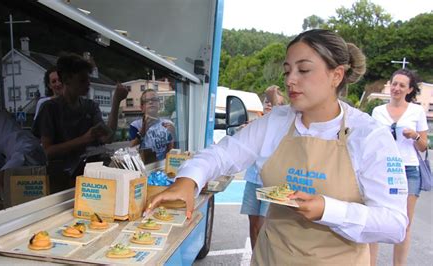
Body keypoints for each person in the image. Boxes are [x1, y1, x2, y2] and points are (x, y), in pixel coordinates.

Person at [147, 29, 408, 265]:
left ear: (336, 75)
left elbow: (394, 224)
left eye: (303, 70)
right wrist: (188, 180)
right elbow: (223, 153)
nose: (290, 80)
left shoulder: (370, 137)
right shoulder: (277, 121)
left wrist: (327, 210)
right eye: (287, 71)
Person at [370, 69, 428, 266]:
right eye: (394, 84)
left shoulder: (417, 111)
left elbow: (423, 146)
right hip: (382, 170)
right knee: (375, 220)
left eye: (402, 85)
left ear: (409, 89)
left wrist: (415, 136)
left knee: (405, 223)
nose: (396, 88)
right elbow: (370, 143)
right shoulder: (377, 112)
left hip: (408, 170)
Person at [32, 53, 112, 190]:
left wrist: (116, 102)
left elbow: (107, 137)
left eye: (88, 80)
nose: (88, 84)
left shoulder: (90, 106)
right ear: (67, 80)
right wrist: (84, 139)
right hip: (61, 182)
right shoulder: (50, 109)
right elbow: (47, 151)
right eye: (82, 80)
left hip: (89, 179)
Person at [241, 85, 285, 249]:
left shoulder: (285, 127)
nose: (269, 104)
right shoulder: (255, 125)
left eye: (274, 103)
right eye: (267, 101)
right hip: (253, 179)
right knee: (253, 225)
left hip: (272, 183)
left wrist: (274, 97)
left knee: (264, 225)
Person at [129, 89, 175, 162]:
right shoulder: (136, 125)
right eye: (147, 101)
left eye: (154, 99)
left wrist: (172, 135)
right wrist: (142, 131)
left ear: (159, 105)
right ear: (142, 107)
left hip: (163, 165)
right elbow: (131, 149)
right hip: (146, 167)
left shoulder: (167, 124)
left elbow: (172, 151)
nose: (151, 102)